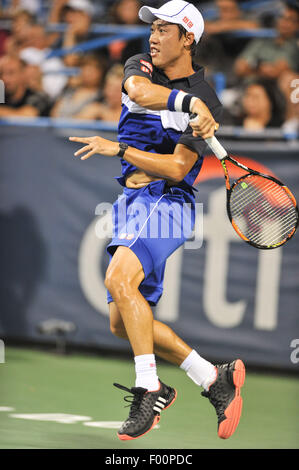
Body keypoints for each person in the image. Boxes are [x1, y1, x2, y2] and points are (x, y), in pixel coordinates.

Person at [69, 0, 245, 442]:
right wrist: (186, 104)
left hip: (166, 200)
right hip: (131, 201)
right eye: (154, 28)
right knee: (124, 320)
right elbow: (139, 90)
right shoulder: (143, 65)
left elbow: (177, 169)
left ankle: (149, 388)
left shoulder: (209, 100)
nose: (154, 36)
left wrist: (121, 150)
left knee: (118, 281)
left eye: (165, 30)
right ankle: (212, 377)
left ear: (188, 39)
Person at [234, 2, 299, 81]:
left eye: (291, 20)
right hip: (251, 85)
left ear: (297, 25)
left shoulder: (295, 46)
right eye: (282, 17)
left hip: (277, 89)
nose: (285, 23)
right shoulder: (261, 41)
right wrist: (260, 68)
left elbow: (276, 72)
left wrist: (254, 68)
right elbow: (240, 68)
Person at [50, 55, 105, 119]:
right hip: (58, 127)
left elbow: (86, 118)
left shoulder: (101, 96)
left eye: (91, 70)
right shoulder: (69, 89)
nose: (87, 74)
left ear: (100, 73)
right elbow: (54, 112)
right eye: (85, 69)